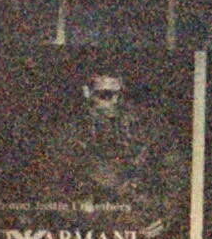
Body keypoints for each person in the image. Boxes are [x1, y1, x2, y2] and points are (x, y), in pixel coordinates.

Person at [33, 70, 182, 229]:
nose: (115, 102)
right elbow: (47, 181)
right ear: (87, 92)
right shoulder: (68, 131)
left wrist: (165, 215)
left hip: (138, 220)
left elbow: (174, 171)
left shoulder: (144, 124)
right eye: (106, 95)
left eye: (119, 95)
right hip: (84, 223)